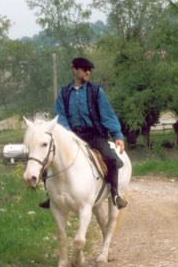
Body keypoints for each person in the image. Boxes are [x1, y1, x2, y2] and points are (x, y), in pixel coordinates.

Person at [39, 57, 128, 209]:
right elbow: (60, 117)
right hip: (71, 136)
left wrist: (117, 136)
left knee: (111, 159)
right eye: (84, 69)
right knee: (47, 161)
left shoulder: (96, 92)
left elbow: (108, 115)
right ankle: (51, 195)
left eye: (89, 70)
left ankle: (115, 194)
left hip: (94, 135)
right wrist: (67, 135)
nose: (88, 72)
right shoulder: (64, 93)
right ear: (75, 70)